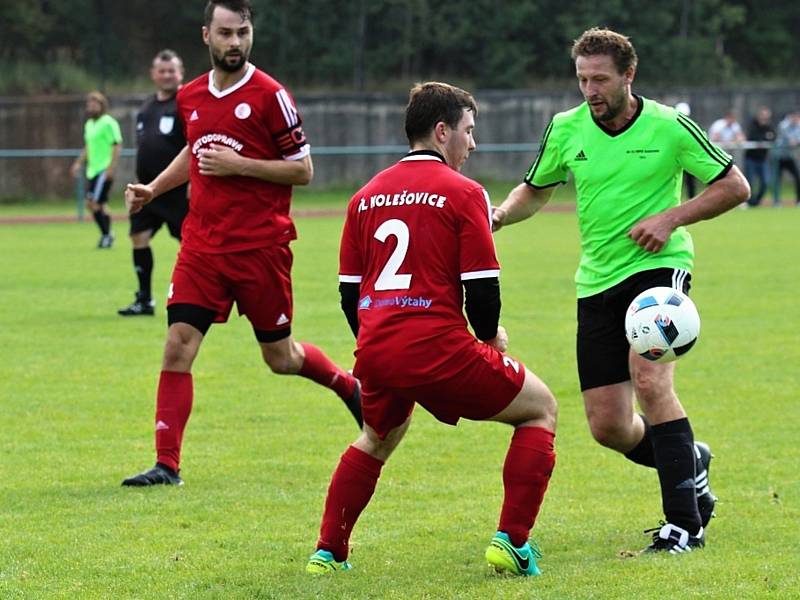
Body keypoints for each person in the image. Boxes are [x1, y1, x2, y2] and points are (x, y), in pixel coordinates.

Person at [492, 27, 750, 554]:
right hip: (597, 280)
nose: (590, 90)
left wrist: (671, 218)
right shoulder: (566, 129)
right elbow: (535, 191)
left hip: (658, 270)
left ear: (629, 75)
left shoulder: (670, 125)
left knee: (651, 381)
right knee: (609, 426)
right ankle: (689, 460)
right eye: (583, 79)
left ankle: (684, 525)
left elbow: (734, 186)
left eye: (601, 79)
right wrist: (496, 217)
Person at [305, 82, 558, 577]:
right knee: (540, 410)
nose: (473, 144)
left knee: (377, 437)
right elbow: (482, 288)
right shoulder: (466, 193)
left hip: (376, 347)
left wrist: (379, 341)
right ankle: (513, 541)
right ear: (441, 132)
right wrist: (489, 339)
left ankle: (328, 553)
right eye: (468, 131)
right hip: (439, 348)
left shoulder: (363, 197)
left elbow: (348, 295)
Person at [121, 0, 362, 487]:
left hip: (260, 248)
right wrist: (154, 189)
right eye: (226, 33)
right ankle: (167, 465)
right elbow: (196, 149)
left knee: (281, 359)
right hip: (203, 246)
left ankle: (347, 385)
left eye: (243, 33)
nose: (235, 43)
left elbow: (304, 170)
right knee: (177, 347)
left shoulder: (271, 95)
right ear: (206, 35)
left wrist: (241, 165)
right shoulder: (190, 96)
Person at [118, 49, 190, 317]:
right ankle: (145, 299)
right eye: (162, 70)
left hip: (179, 191)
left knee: (193, 244)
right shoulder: (147, 108)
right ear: (153, 74)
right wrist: (138, 183)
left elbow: (195, 145)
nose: (167, 75)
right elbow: (144, 148)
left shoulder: (186, 103)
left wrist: (195, 182)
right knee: (138, 237)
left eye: (172, 70)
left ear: (180, 73)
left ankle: (207, 296)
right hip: (148, 190)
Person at [70, 91, 122, 249]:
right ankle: (108, 234)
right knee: (101, 205)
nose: (91, 107)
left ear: (102, 106)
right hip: (92, 171)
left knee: (91, 202)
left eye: (95, 104)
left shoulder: (108, 122)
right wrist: (78, 162)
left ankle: (107, 236)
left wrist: (111, 168)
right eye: (89, 104)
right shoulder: (89, 124)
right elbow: (88, 146)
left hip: (103, 170)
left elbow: (117, 144)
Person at [743, 106, 776, 207]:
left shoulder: (769, 126)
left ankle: (755, 202)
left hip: (763, 159)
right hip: (751, 159)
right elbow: (753, 137)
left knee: (765, 182)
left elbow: (774, 136)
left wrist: (767, 137)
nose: (764, 118)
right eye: (763, 116)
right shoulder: (752, 125)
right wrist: (766, 137)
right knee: (750, 183)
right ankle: (749, 202)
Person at [771, 110, 800, 206]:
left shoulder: (798, 126)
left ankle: (798, 201)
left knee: (798, 177)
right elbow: (788, 138)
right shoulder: (783, 125)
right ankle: (776, 201)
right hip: (778, 157)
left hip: (789, 157)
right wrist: (793, 141)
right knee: (776, 180)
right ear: (790, 117)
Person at [675, 102, 696, 198]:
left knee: (690, 181)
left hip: (688, 156)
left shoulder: (691, 126)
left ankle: (691, 198)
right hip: (677, 156)